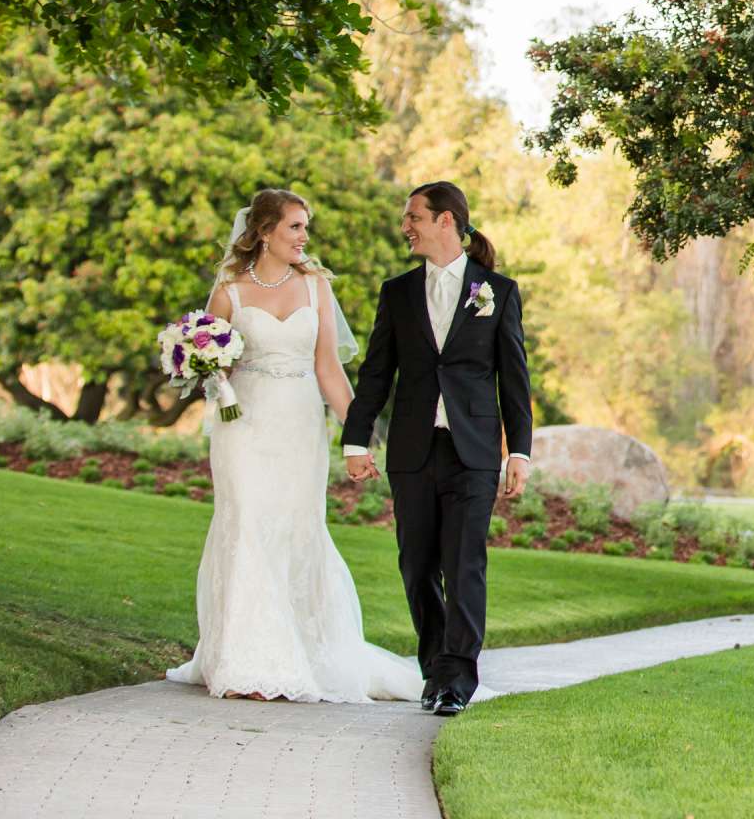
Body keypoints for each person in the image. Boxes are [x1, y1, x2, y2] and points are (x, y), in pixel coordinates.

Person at [167, 188, 423, 703]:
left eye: (306, 227)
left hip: (300, 425)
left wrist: (360, 437)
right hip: (243, 425)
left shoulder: (315, 288)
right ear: (264, 232)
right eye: (295, 227)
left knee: (295, 528)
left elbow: (329, 368)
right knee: (246, 524)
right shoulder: (230, 291)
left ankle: (299, 651)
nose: (305, 237)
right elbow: (216, 364)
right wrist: (202, 365)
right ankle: (246, 661)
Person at [341, 180, 533, 715]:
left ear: (445, 221)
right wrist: (357, 438)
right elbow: (377, 374)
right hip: (412, 450)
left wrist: (519, 451)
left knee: (464, 563)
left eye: (414, 218)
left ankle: (457, 678)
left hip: (472, 453)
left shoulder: (499, 290)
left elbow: (514, 381)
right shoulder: (396, 292)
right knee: (416, 564)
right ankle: (434, 669)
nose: (406, 227)